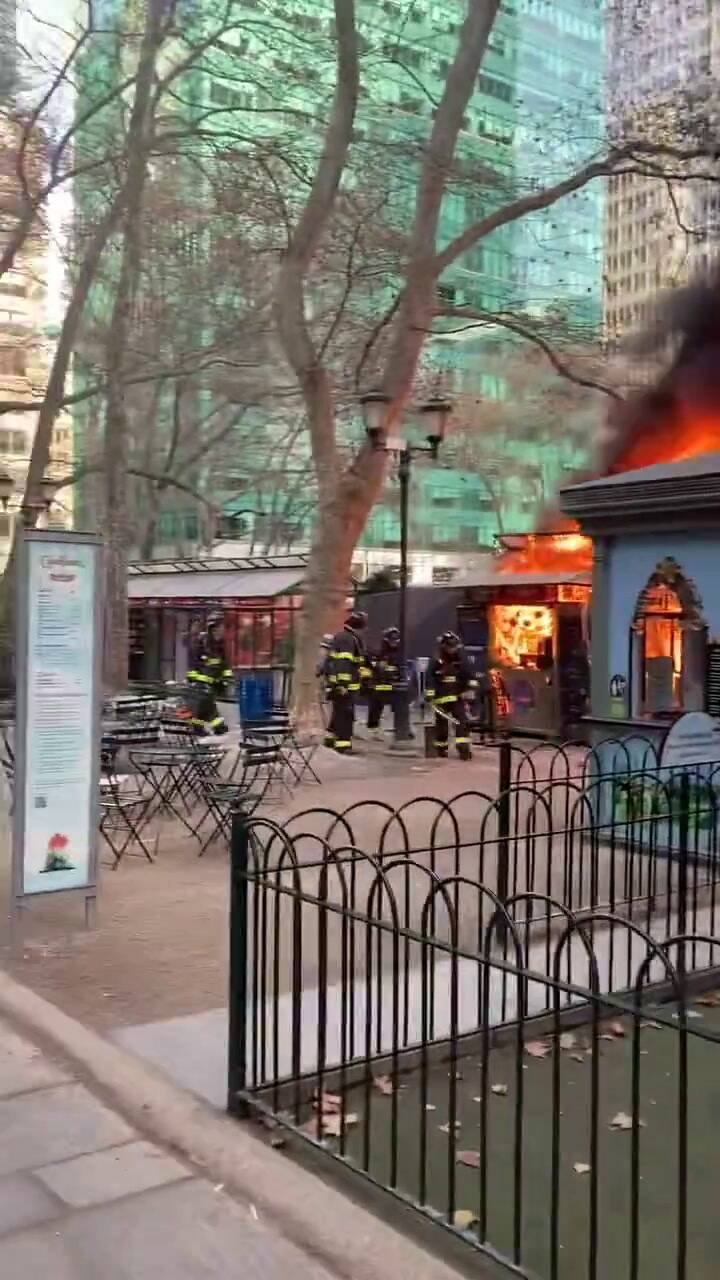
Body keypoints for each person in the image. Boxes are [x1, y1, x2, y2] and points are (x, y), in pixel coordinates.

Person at [426, 631, 477, 761]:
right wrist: (430, 695)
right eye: (450, 647)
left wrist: (470, 689)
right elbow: (429, 678)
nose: (452, 650)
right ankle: (441, 748)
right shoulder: (436, 660)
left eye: (454, 647)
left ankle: (463, 750)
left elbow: (470, 675)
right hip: (440, 699)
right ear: (443, 646)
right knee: (442, 726)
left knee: (462, 723)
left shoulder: (461, 659)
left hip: (457, 697)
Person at [180, 612, 233, 735]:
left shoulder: (220, 645)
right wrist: (205, 681)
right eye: (221, 628)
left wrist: (226, 679)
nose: (223, 631)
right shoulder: (200, 643)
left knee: (206, 707)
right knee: (205, 706)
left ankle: (207, 727)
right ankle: (210, 728)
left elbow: (224, 664)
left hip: (212, 686)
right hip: (200, 686)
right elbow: (192, 670)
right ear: (213, 628)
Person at [324, 610, 369, 753]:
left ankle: (331, 740)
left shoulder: (346, 637)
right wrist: (342, 685)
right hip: (344, 686)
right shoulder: (347, 639)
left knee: (338, 713)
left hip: (341, 684)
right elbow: (344, 663)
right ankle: (343, 745)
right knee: (345, 714)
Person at [367, 626, 407, 738]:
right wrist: (377, 668)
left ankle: (402, 729)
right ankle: (373, 730)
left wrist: (400, 678)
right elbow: (371, 666)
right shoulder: (378, 652)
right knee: (376, 707)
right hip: (379, 684)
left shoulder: (399, 653)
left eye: (395, 641)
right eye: (391, 641)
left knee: (399, 707)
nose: (393, 643)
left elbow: (400, 668)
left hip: (393, 685)